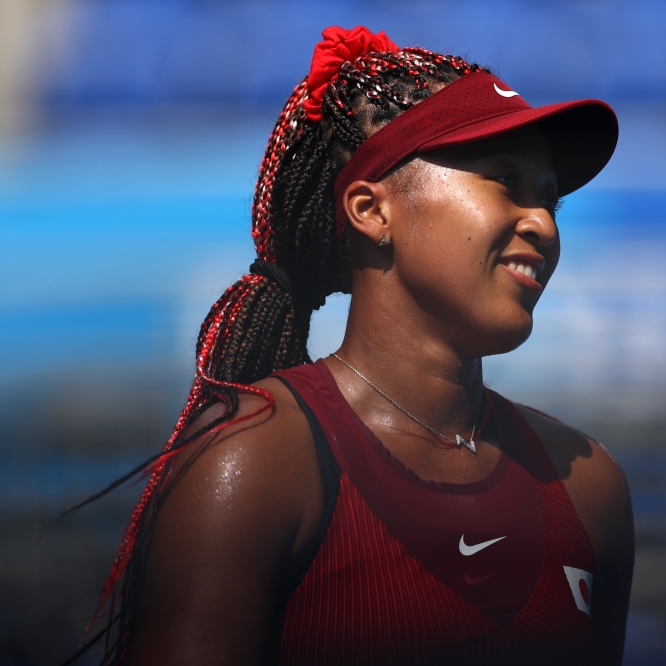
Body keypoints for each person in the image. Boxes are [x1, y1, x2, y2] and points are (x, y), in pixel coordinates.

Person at [80, 25, 633, 665]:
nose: (542, 223)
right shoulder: (256, 459)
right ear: (372, 210)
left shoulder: (589, 485)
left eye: (551, 200)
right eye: (506, 182)